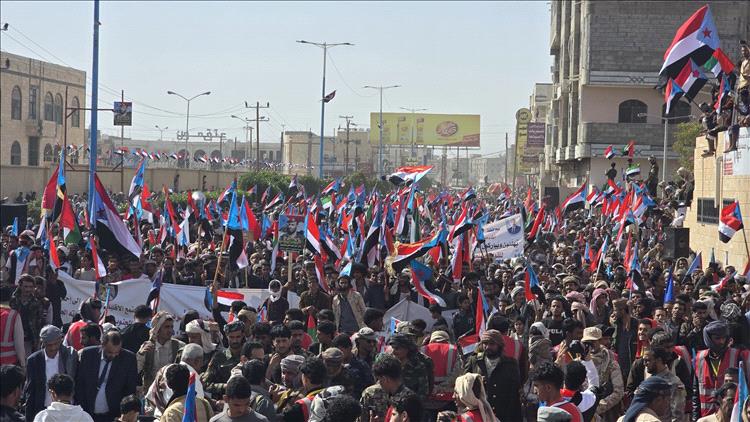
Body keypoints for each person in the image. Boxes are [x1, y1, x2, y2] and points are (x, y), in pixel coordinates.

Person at [75, 330, 138, 422]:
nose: (113, 355)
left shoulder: (128, 359)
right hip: (87, 413)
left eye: (117, 352)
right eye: (110, 352)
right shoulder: (88, 355)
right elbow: (80, 383)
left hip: (113, 415)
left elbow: (130, 389)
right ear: (102, 344)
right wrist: (81, 408)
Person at [693, 321, 750, 420]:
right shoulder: (700, 358)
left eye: (724, 338)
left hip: (731, 416)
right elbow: (695, 393)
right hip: (707, 416)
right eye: (717, 338)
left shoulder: (738, 356)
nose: (721, 342)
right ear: (709, 339)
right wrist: (695, 418)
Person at [463, 330, 522, 421]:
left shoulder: (510, 364)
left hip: (504, 414)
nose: (487, 347)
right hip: (481, 413)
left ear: (499, 345)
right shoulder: (475, 361)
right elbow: (464, 385)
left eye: (492, 344)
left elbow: (515, 393)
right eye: (485, 343)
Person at [23, 325, 78, 421]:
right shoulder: (34, 360)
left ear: (60, 341)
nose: (53, 348)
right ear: (43, 343)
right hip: (44, 410)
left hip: (67, 410)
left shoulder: (69, 356)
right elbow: (31, 391)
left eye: (56, 344)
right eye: (49, 345)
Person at [137, 311, 185, 390]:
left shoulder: (180, 346)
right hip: (151, 391)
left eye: (171, 327)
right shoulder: (147, 346)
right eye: (166, 327)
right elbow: (137, 369)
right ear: (158, 329)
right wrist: (140, 354)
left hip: (172, 391)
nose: (170, 330)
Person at [360, 354, 415, 422]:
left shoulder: (409, 400)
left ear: (385, 379)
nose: (379, 383)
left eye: (379, 379)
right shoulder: (370, 394)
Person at [203, 320, 246, 397]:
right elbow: (205, 384)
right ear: (226, 335)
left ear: (243, 335)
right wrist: (225, 386)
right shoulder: (219, 357)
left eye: (238, 337)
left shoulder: (247, 355)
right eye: (231, 337)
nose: (235, 341)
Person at [388, 334, 430, 400]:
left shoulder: (417, 366)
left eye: (397, 348)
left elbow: (423, 391)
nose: (393, 351)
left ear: (406, 349)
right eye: (393, 348)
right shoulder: (390, 365)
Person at [0, 285, 25, 367]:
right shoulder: (13, 315)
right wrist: (23, 364)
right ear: (11, 298)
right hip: (8, 363)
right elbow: (19, 344)